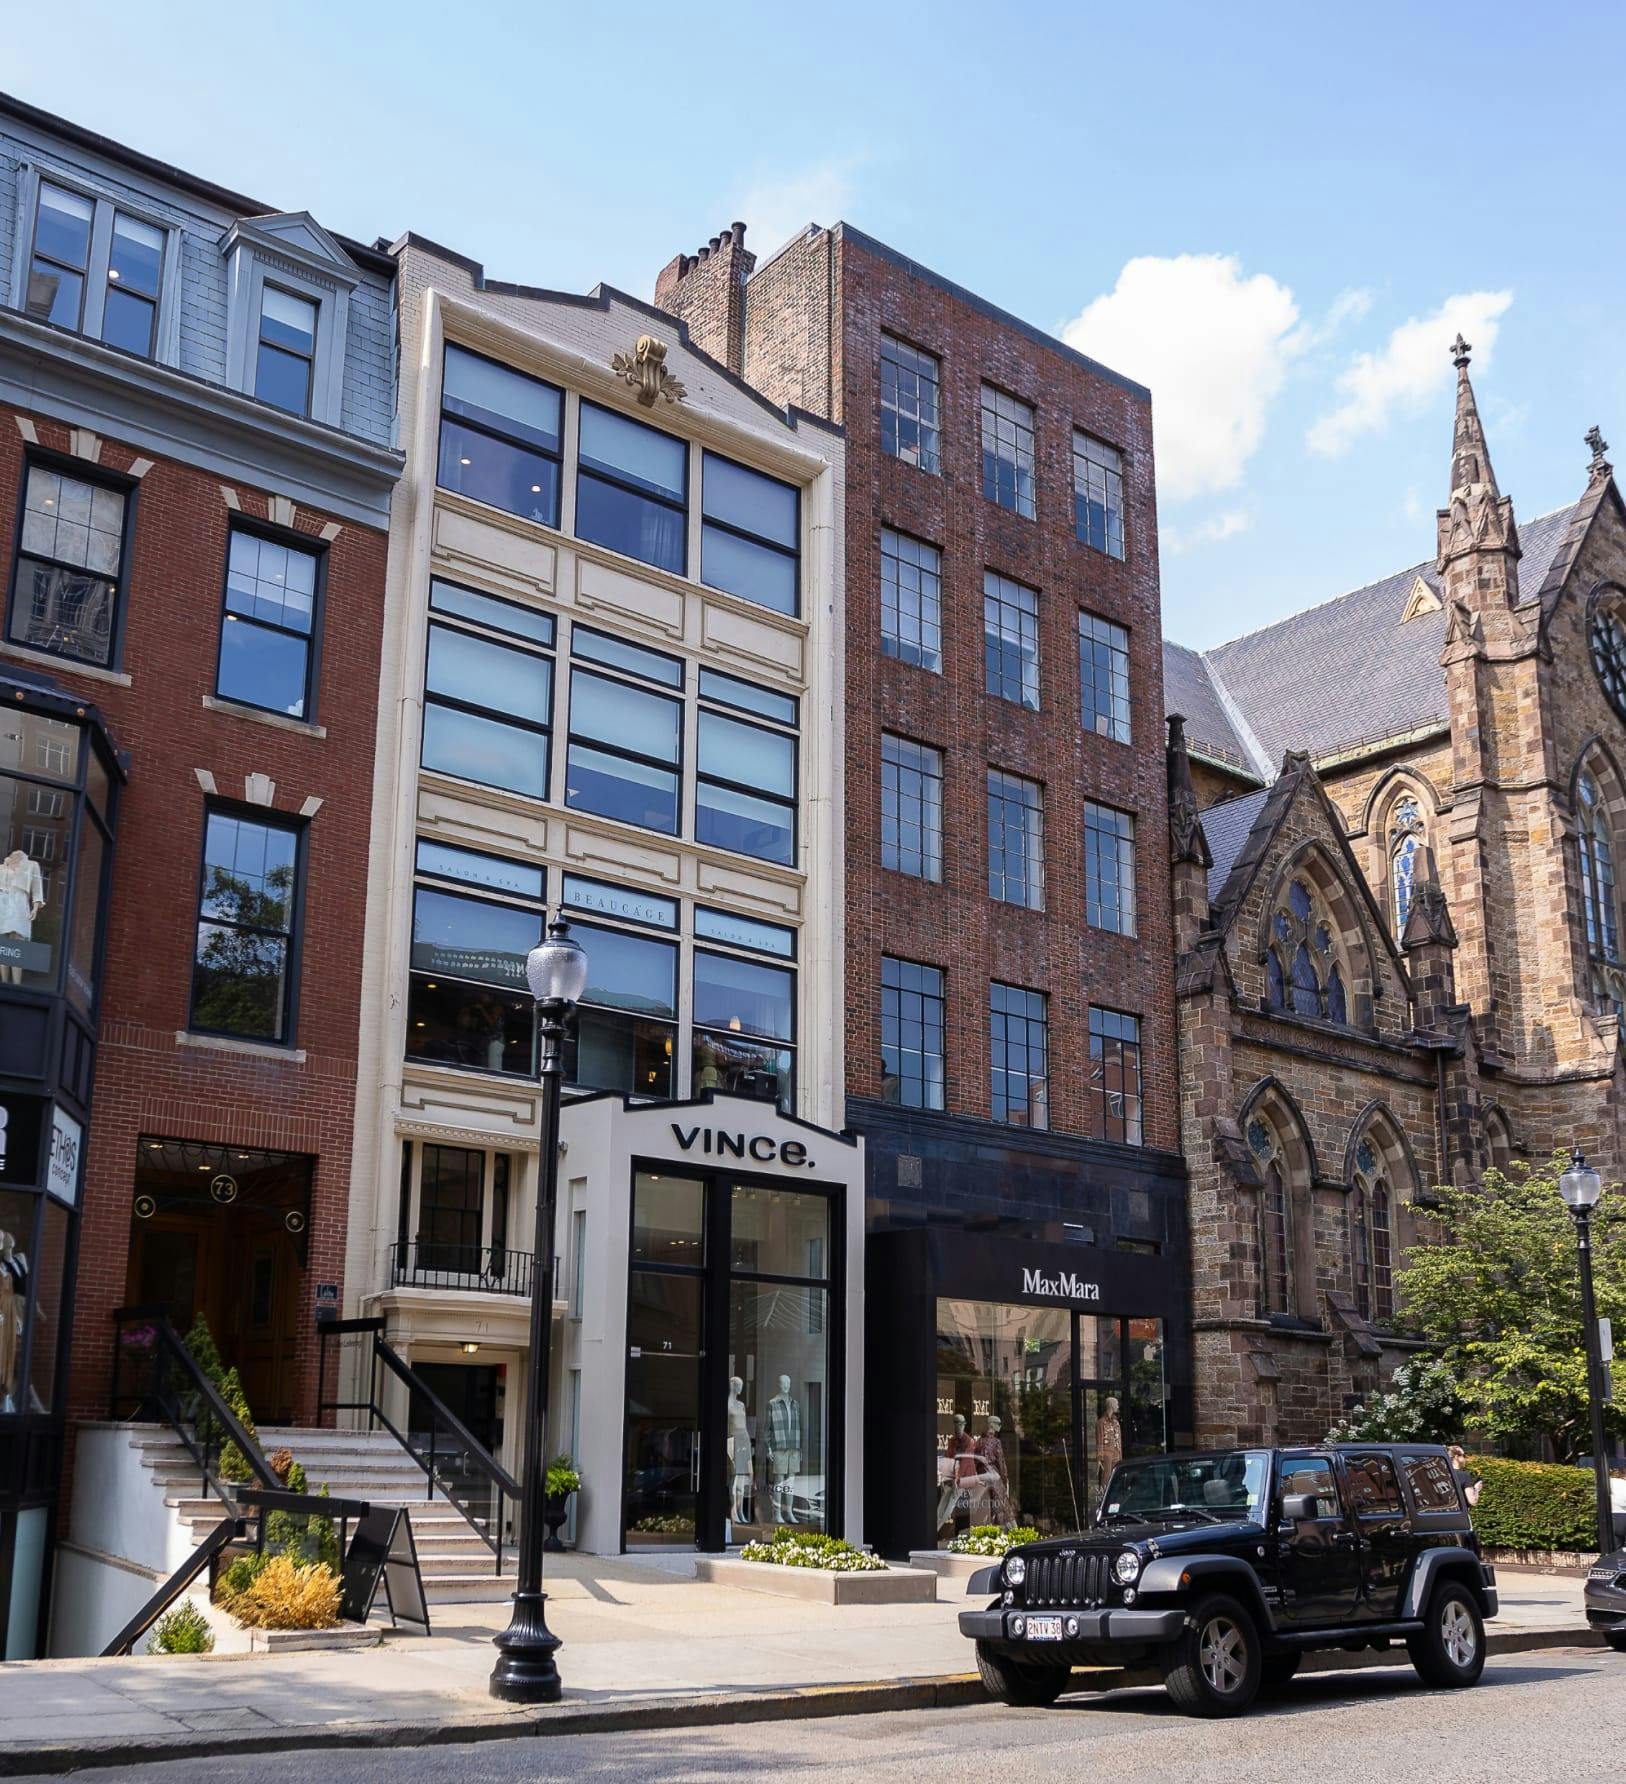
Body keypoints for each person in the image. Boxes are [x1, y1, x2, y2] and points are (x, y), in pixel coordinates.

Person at [1447, 1444, 1483, 1509]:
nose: (1465, 1459)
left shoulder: (1441, 1473)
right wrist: (1476, 1489)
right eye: (1464, 1456)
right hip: (1459, 1513)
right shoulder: (1464, 1475)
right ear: (1456, 1457)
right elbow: (1473, 1501)